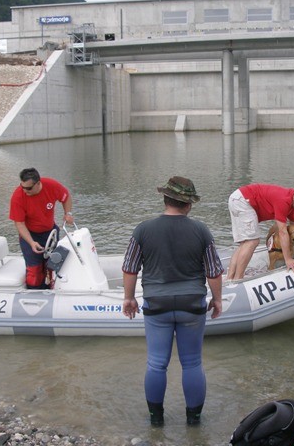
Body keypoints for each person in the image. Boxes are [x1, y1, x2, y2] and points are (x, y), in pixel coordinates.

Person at [122, 176, 224, 427]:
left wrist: (129, 298)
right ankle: (194, 421)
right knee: (192, 363)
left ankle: (156, 421)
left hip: (157, 304)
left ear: (165, 199)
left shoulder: (143, 229)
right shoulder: (201, 230)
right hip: (192, 303)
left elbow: (130, 269)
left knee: (157, 363)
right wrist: (217, 299)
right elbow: (213, 271)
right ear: (188, 204)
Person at [226, 184, 294, 280]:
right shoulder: (284, 200)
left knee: (245, 243)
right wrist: (288, 259)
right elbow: (283, 232)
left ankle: (230, 278)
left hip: (238, 198)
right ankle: (238, 279)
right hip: (243, 200)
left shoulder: (292, 202)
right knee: (252, 242)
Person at [9, 167, 73, 289]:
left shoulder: (51, 185)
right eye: (22, 187)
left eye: (28, 188)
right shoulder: (18, 197)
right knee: (35, 271)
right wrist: (32, 242)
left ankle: (54, 289)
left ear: (38, 183)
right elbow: (19, 224)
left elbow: (66, 197)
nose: (25, 190)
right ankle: (34, 294)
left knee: (54, 265)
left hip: (50, 233)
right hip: (30, 235)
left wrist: (68, 213)